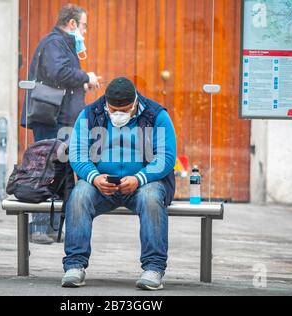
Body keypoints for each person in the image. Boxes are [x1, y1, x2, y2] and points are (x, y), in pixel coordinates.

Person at [62, 77, 177, 290]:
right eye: (113, 109)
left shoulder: (157, 115)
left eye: (124, 110)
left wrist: (139, 178)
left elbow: (166, 157)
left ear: (135, 103)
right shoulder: (89, 114)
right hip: (101, 185)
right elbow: (77, 154)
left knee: (151, 197)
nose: (118, 115)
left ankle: (154, 268)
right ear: (106, 102)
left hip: (144, 184)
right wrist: (94, 177)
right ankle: (74, 265)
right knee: (79, 194)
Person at [20, 4, 102, 245]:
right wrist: (86, 76)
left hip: (62, 118)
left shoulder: (62, 44)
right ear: (73, 24)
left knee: (62, 171)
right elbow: (58, 73)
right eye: (84, 26)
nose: (85, 32)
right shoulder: (54, 43)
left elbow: (61, 79)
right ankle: (39, 227)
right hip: (52, 119)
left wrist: (83, 84)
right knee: (46, 168)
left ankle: (53, 227)